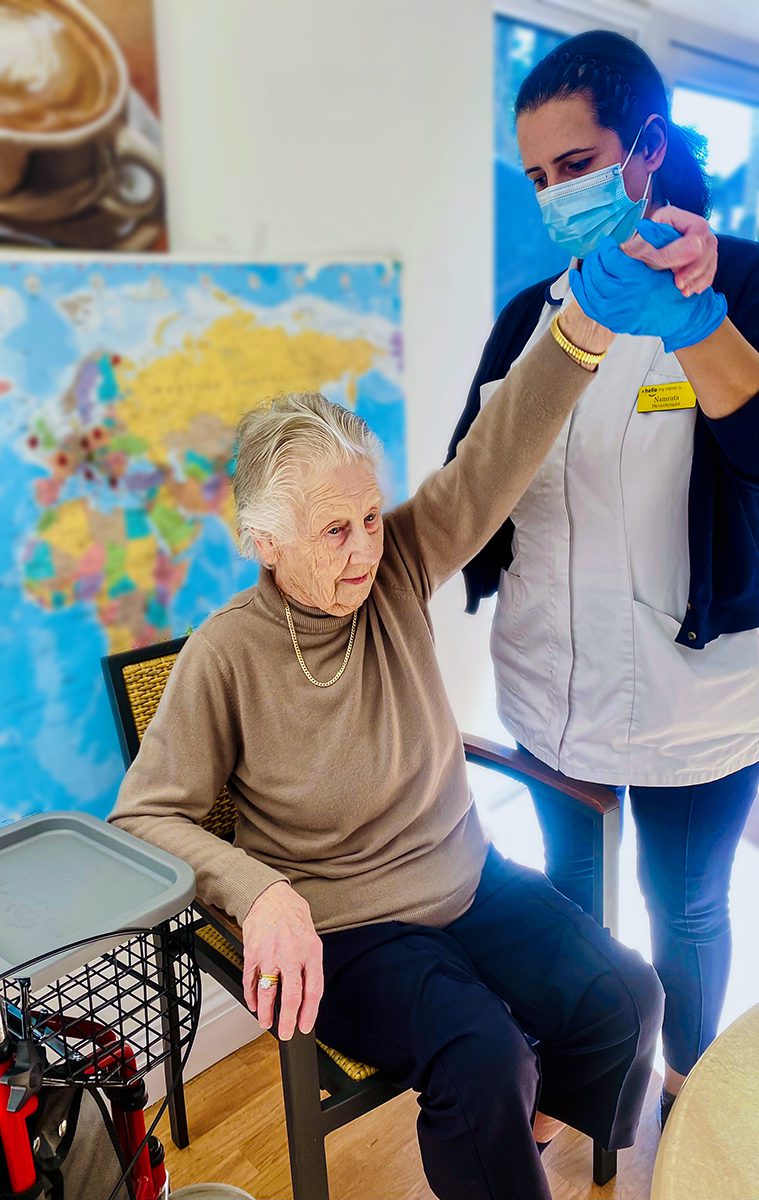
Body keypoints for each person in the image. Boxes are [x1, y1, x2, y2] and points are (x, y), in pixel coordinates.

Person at [110, 305, 665, 1200]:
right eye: (336, 531)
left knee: (627, 996)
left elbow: (493, 456)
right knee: (482, 1055)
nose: (367, 546)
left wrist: (584, 331)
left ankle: (524, 1124)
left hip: (467, 879)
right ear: (266, 543)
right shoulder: (225, 654)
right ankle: (498, 1127)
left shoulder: (399, 563)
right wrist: (259, 893)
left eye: (370, 515)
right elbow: (143, 815)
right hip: (350, 931)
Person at [448, 29, 759, 1129]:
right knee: (570, 904)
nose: (555, 196)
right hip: (547, 686)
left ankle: (686, 1091)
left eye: (576, 166)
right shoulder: (530, 316)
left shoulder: (751, 284)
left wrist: (704, 332)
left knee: (686, 913)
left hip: (699, 700)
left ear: (647, 148)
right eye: (537, 177)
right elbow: (469, 491)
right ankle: (579, 1076)